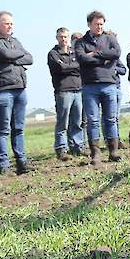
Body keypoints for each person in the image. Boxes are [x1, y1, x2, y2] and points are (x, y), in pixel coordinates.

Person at [0, 11, 33, 176]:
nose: (10, 26)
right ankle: (3, 165)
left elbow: (30, 58)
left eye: (11, 23)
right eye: (6, 23)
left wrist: (12, 57)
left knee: (19, 128)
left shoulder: (14, 41)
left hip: (20, 88)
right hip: (3, 89)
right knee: (3, 129)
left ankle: (21, 162)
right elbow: (5, 54)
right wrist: (15, 56)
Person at [75, 11, 122, 164]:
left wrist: (94, 54)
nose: (100, 27)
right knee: (93, 120)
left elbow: (116, 53)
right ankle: (96, 153)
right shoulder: (81, 42)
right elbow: (82, 58)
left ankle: (113, 151)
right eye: (97, 24)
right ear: (89, 24)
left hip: (109, 84)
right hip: (90, 87)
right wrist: (104, 58)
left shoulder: (110, 38)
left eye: (102, 24)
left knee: (111, 119)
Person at [48, 27, 84, 161]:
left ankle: (77, 146)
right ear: (57, 38)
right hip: (63, 91)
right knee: (63, 122)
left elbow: (81, 67)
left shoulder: (74, 52)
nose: (63, 39)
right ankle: (61, 149)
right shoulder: (53, 54)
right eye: (61, 37)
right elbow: (60, 68)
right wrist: (73, 67)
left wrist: (69, 67)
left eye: (65, 37)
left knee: (77, 121)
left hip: (78, 90)